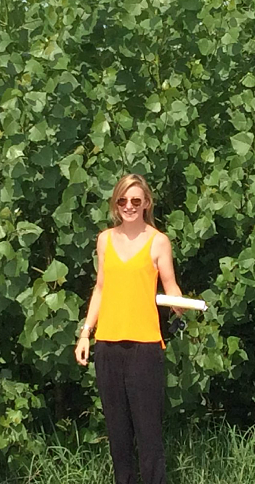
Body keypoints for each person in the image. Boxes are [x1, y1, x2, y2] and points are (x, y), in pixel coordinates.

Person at [74, 173, 184, 484]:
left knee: (149, 436)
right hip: (107, 345)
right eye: (123, 200)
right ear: (115, 204)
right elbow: (100, 288)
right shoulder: (105, 240)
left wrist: (179, 303)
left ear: (147, 203)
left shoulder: (159, 241)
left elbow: (170, 286)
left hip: (145, 347)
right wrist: (86, 333)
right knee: (118, 436)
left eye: (136, 200)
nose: (129, 206)